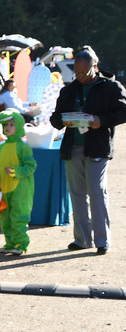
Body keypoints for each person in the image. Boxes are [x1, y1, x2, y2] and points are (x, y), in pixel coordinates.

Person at [50, 45, 126, 255]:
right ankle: (83, 239)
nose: (81, 76)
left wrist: (100, 121)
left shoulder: (111, 87)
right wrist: (64, 121)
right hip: (72, 146)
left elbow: (123, 112)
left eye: (85, 72)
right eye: (77, 72)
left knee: (97, 192)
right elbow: (55, 117)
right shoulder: (68, 89)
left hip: (97, 148)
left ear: (95, 66)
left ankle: (102, 240)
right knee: (77, 194)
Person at [0, 110, 36, 256]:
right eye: (6, 125)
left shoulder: (23, 147)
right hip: (4, 188)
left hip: (21, 188)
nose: (8, 128)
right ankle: (9, 243)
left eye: (11, 124)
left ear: (20, 126)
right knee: (5, 217)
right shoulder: (1, 147)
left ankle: (21, 244)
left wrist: (16, 171)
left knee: (19, 216)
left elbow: (31, 166)